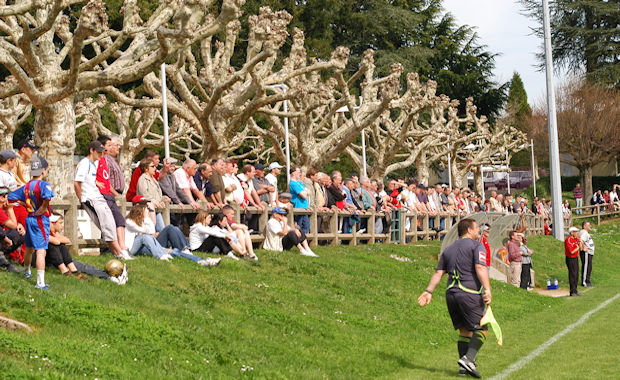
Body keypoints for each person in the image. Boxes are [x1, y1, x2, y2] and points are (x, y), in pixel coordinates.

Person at [417, 218, 491, 378]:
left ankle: (463, 369)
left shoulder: (448, 249)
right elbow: (480, 267)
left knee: (465, 331)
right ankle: (469, 359)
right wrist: (487, 289)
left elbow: (438, 273)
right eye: (477, 228)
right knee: (482, 329)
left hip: (451, 293)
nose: (479, 231)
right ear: (469, 230)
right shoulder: (477, 246)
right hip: (469, 293)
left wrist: (428, 291)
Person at [74, 141, 130, 260]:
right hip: (91, 199)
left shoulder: (93, 164)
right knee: (108, 225)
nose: (101, 154)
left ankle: (117, 253)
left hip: (97, 197)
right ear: (91, 150)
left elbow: (88, 179)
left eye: (102, 152)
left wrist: (95, 182)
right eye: (98, 152)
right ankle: (120, 252)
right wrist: (82, 199)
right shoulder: (84, 163)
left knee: (110, 224)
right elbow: (77, 183)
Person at [7, 157, 54, 290]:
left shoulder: (26, 186)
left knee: (29, 247)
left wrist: (23, 203)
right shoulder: (43, 185)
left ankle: (27, 272)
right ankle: (40, 283)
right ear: (43, 171)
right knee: (41, 250)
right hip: (40, 219)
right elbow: (47, 196)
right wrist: (44, 206)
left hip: (29, 218)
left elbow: (11, 196)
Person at [125, 204, 220, 267]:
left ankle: (202, 261)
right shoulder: (129, 222)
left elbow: (151, 230)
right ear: (139, 213)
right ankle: (161, 255)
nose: (148, 214)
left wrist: (146, 219)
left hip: (143, 246)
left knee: (174, 251)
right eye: (146, 212)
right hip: (132, 249)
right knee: (145, 237)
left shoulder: (141, 222)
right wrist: (146, 218)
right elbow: (146, 233)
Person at [47, 213, 128, 284]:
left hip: (60, 259)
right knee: (84, 267)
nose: (62, 225)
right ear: (52, 223)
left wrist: (57, 239)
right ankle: (112, 277)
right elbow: (56, 242)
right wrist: (57, 240)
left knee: (85, 266)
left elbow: (67, 240)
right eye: (60, 223)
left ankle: (114, 276)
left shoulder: (54, 233)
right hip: (52, 262)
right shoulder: (45, 233)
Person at [289, 166, 311, 234]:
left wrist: (305, 192)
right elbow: (304, 195)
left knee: (306, 226)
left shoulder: (299, 183)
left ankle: (303, 242)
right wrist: (305, 192)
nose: (300, 174)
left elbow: (309, 192)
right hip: (298, 207)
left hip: (304, 207)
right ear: (293, 173)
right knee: (299, 226)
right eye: (298, 172)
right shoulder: (293, 183)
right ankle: (299, 241)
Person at [565, 226, 582, 296]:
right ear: (572, 233)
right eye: (575, 232)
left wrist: (580, 241)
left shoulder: (575, 239)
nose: (577, 233)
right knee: (572, 274)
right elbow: (571, 251)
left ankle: (575, 290)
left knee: (576, 274)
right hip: (570, 258)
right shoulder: (568, 240)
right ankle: (572, 291)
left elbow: (581, 248)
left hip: (575, 258)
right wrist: (577, 248)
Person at [579, 221, 594, 287]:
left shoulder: (584, 233)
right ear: (584, 226)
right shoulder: (584, 233)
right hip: (586, 253)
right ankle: (585, 281)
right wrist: (582, 249)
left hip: (589, 253)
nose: (589, 226)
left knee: (589, 267)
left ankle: (587, 280)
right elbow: (581, 240)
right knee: (586, 267)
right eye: (588, 225)